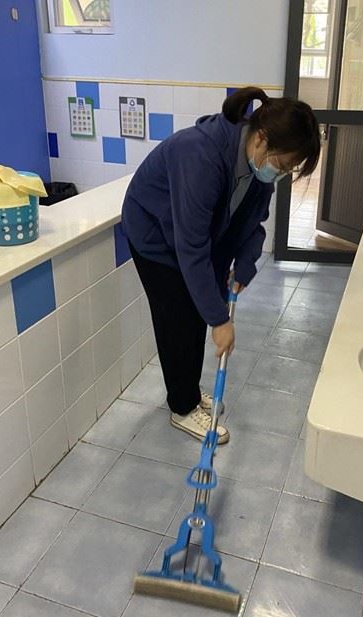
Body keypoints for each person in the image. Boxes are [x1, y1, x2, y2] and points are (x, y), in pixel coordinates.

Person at [121, 86, 320, 444]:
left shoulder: (257, 167)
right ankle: (182, 406)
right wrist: (220, 320)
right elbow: (191, 247)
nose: (282, 173)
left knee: (199, 311)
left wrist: (244, 267)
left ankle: (188, 390)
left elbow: (252, 224)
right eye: (283, 164)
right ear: (261, 138)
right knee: (177, 317)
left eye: (289, 169)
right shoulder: (199, 155)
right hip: (154, 235)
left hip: (193, 237)